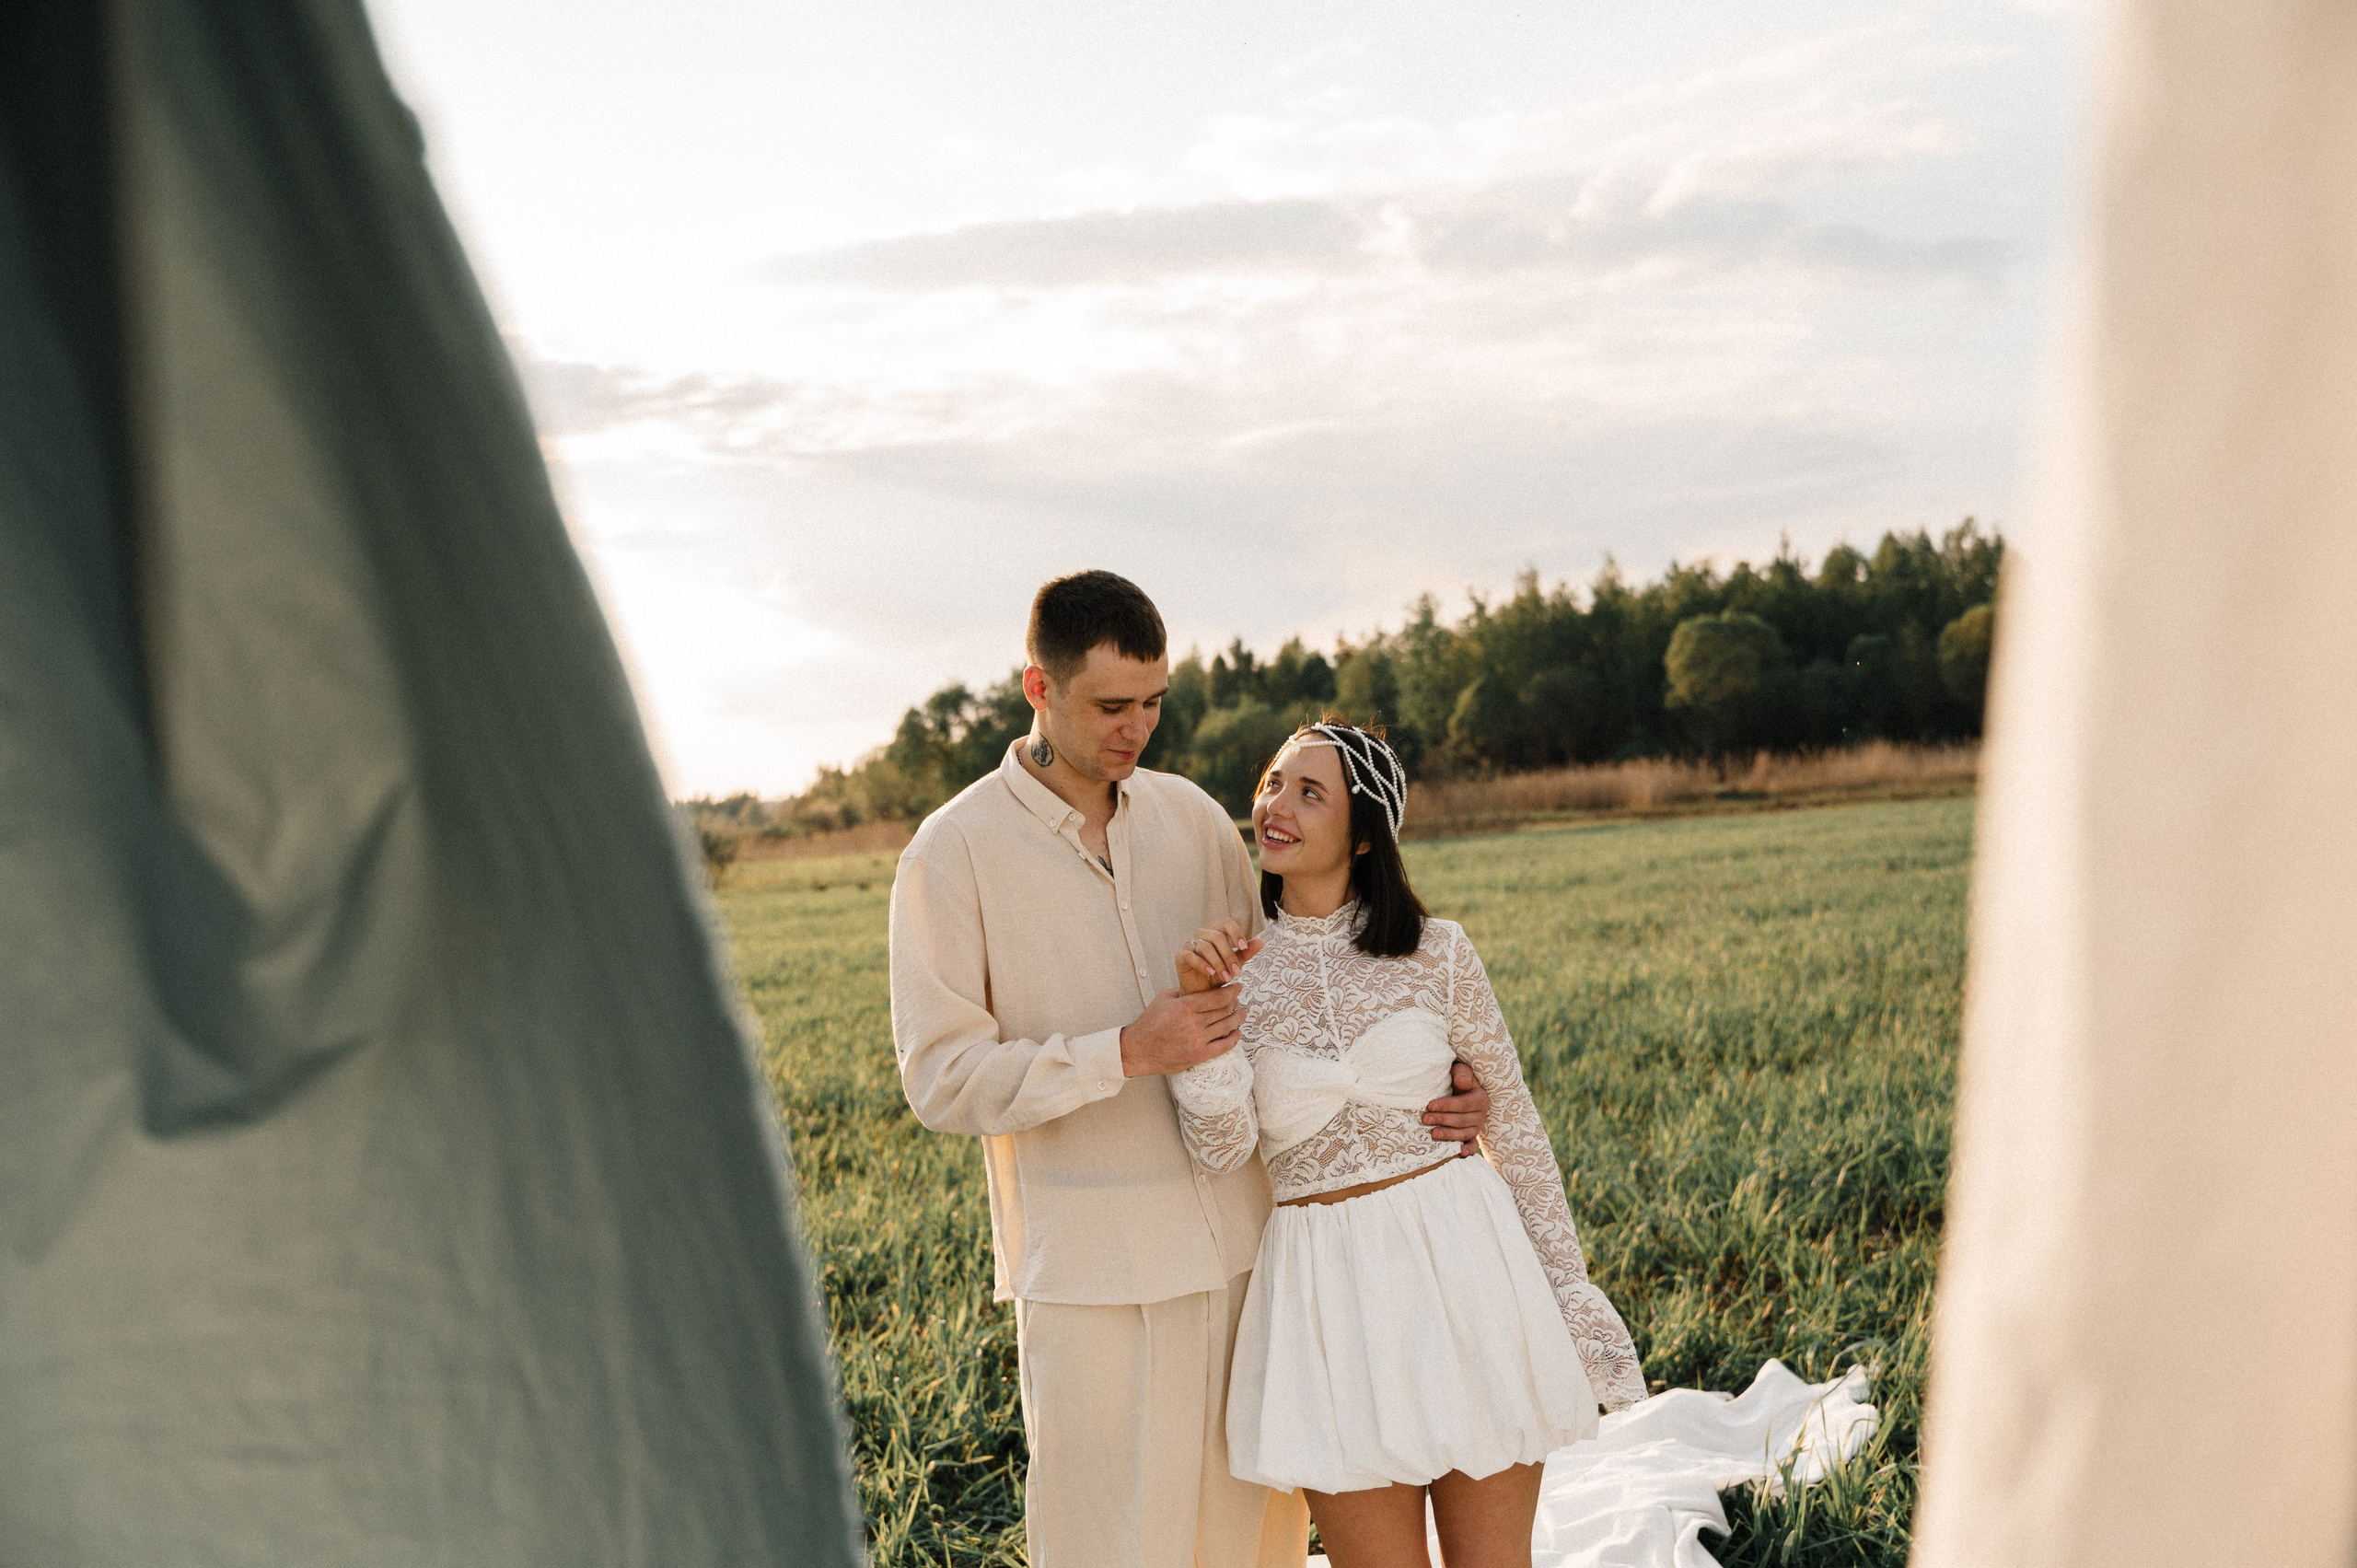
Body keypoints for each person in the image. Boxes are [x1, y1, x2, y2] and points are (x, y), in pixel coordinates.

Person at [888, 573, 1493, 1568]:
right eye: (1110, 706)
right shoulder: (950, 854)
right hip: (1093, 1276)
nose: (1137, 728)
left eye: (1154, 701)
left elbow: (1302, 988)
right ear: (1038, 686)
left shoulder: (1197, 820)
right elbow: (941, 1077)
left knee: (1255, 1542)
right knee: (1107, 1547)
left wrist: (1440, 1074)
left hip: (1255, 1258)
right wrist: (1126, 1051)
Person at [1168, 722, 1648, 1568]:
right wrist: (1201, 1014)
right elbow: (1219, 1149)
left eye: (1309, 792)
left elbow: (1513, 1124)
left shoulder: (1439, 951)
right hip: (1326, 1296)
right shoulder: (1236, 970)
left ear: (1363, 834)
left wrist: (1568, 1289)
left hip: (1466, 1268)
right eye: (1273, 781)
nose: (1276, 805)